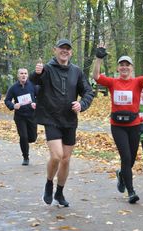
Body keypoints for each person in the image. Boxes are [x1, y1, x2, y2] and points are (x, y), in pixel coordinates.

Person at [29, 39, 94, 207]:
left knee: (66, 159)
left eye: (67, 49)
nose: (64, 51)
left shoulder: (76, 71)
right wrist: (37, 72)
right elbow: (34, 80)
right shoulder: (47, 69)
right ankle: (49, 183)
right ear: (55, 50)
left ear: (71, 52)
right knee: (57, 156)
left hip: (69, 120)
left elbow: (88, 91)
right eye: (61, 48)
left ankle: (60, 192)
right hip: (51, 119)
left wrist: (82, 104)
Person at [93, 44, 143, 204]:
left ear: (131, 68)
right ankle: (131, 191)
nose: (124, 67)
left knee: (131, 159)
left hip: (134, 125)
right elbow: (96, 76)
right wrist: (98, 58)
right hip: (117, 126)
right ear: (118, 68)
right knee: (125, 157)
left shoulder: (137, 82)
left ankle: (122, 174)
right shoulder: (112, 82)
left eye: (127, 65)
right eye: (121, 65)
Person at [4, 68, 38, 166]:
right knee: (23, 137)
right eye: (21, 73)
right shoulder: (13, 88)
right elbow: (7, 100)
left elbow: (40, 96)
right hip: (20, 116)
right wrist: (13, 106)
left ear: (27, 75)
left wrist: (35, 103)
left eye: (25, 73)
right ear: (18, 76)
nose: (23, 75)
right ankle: (25, 157)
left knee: (32, 138)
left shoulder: (32, 85)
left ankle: (26, 141)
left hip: (32, 115)